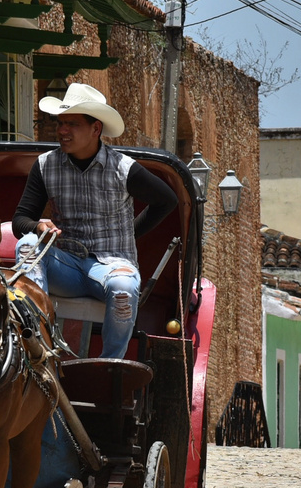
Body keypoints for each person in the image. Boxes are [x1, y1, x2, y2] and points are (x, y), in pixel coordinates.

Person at [10, 83, 178, 359]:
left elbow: (167, 201)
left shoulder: (123, 168)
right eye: (61, 123)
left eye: (72, 124)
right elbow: (20, 220)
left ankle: (110, 365)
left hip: (112, 267)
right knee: (28, 244)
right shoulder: (44, 166)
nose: (62, 131)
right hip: (66, 267)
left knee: (123, 289)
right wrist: (39, 227)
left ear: (95, 128)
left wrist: (130, 234)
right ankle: (35, 343)